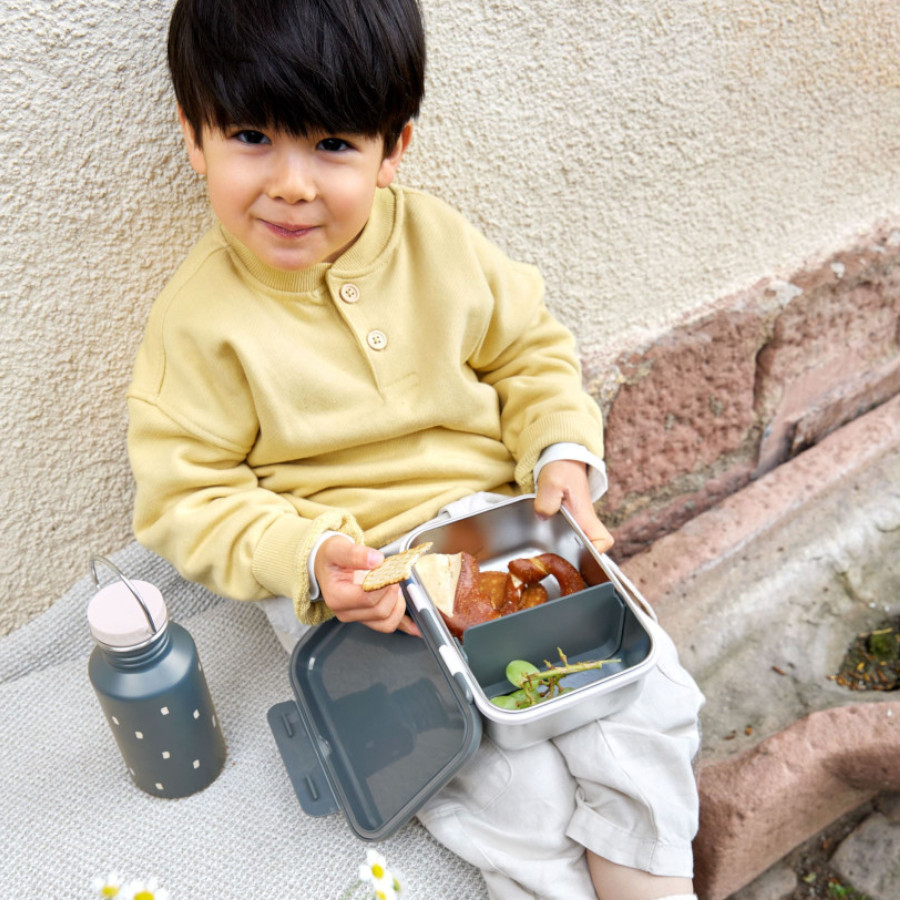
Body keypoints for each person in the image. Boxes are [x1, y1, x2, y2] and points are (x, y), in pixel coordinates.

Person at [127, 1, 703, 898]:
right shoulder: (196, 324)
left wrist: (558, 451)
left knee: (642, 714)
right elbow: (185, 497)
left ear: (393, 147)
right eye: (250, 136)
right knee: (504, 792)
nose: (290, 185)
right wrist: (309, 556)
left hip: (504, 533)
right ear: (193, 138)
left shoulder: (437, 240)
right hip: (366, 595)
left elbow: (529, 354)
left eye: (333, 146)